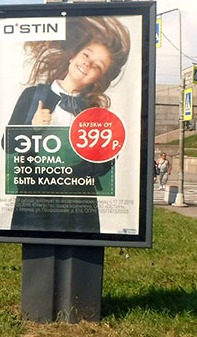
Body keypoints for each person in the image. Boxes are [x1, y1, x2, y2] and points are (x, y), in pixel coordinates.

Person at [7, 16, 131, 233]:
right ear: (73, 56)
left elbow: (103, 166)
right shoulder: (33, 95)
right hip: (35, 203)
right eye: (86, 55)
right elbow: (7, 144)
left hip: (78, 207)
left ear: (99, 79)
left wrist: (105, 153)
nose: (88, 64)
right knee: (38, 254)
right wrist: (33, 127)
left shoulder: (94, 113)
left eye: (97, 66)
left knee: (79, 254)